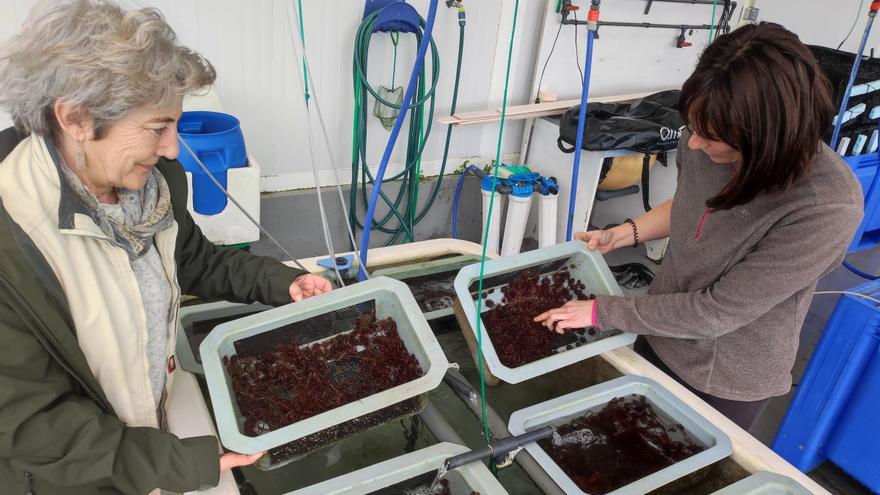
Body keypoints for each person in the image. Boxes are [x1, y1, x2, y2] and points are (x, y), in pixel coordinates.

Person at [0, 1, 331, 493]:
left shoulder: (151, 185)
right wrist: (179, 463)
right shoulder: (15, 244)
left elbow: (193, 260)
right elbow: (32, 427)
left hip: (148, 428)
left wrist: (282, 282)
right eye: (158, 128)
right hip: (69, 478)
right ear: (75, 119)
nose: (174, 149)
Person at [536, 23, 864, 431]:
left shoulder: (826, 206)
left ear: (765, 137)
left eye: (711, 137)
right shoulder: (706, 136)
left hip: (724, 373)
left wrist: (603, 311)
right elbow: (695, 205)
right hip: (658, 329)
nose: (693, 144)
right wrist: (624, 233)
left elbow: (716, 313)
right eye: (695, 126)